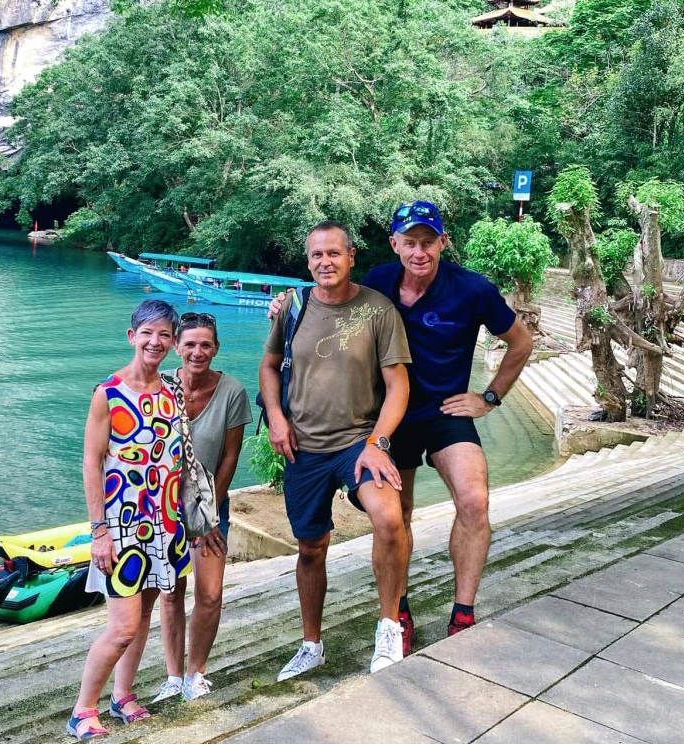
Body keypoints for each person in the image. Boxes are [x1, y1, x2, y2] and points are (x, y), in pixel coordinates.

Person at [271, 202, 532, 654]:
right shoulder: (378, 282)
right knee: (398, 514)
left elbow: (520, 342)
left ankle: (463, 613)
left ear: (443, 242)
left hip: (446, 411)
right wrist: (285, 305)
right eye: (409, 242)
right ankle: (399, 612)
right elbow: (329, 293)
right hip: (389, 418)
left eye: (428, 242)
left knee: (474, 500)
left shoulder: (471, 289)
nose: (419, 252)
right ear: (394, 244)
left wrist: (489, 398)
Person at [259, 221, 412, 680]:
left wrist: (378, 443)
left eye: (333, 253)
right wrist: (276, 418)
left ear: (350, 257)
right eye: (316, 255)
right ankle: (312, 645)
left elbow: (398, 385)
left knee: (389, 518)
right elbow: (269, 366)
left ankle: (390, 627)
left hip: (357, 441)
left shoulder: (378, 310)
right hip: (303, 447)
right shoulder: (293, 306)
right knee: (311, 547)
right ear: (308, 261)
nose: (325, 262)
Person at [67, 299, 194, 740]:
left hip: (165, 522)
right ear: (131, 336)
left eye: (164, 335)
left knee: (142, 616)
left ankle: (122, 696)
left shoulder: (173, 392)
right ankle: (82, 710)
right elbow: (91, 462)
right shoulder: (108, 393)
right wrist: (98, 531)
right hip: (122, 524)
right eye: (147, 333)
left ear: (173, 342)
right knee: (122, 626)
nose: (155, 342)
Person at [155, 312, 252, 702]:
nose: (198, 352)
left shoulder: (232, 392)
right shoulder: (159, 386)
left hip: (209, 504)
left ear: (216, 348)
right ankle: (173, 676)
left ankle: (196, 673)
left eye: (206, 345)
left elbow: (230, 457)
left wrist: (209, 514)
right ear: (176, 347)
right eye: (190, 344)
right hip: (162, 505)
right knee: (171, 591)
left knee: (209, 592)